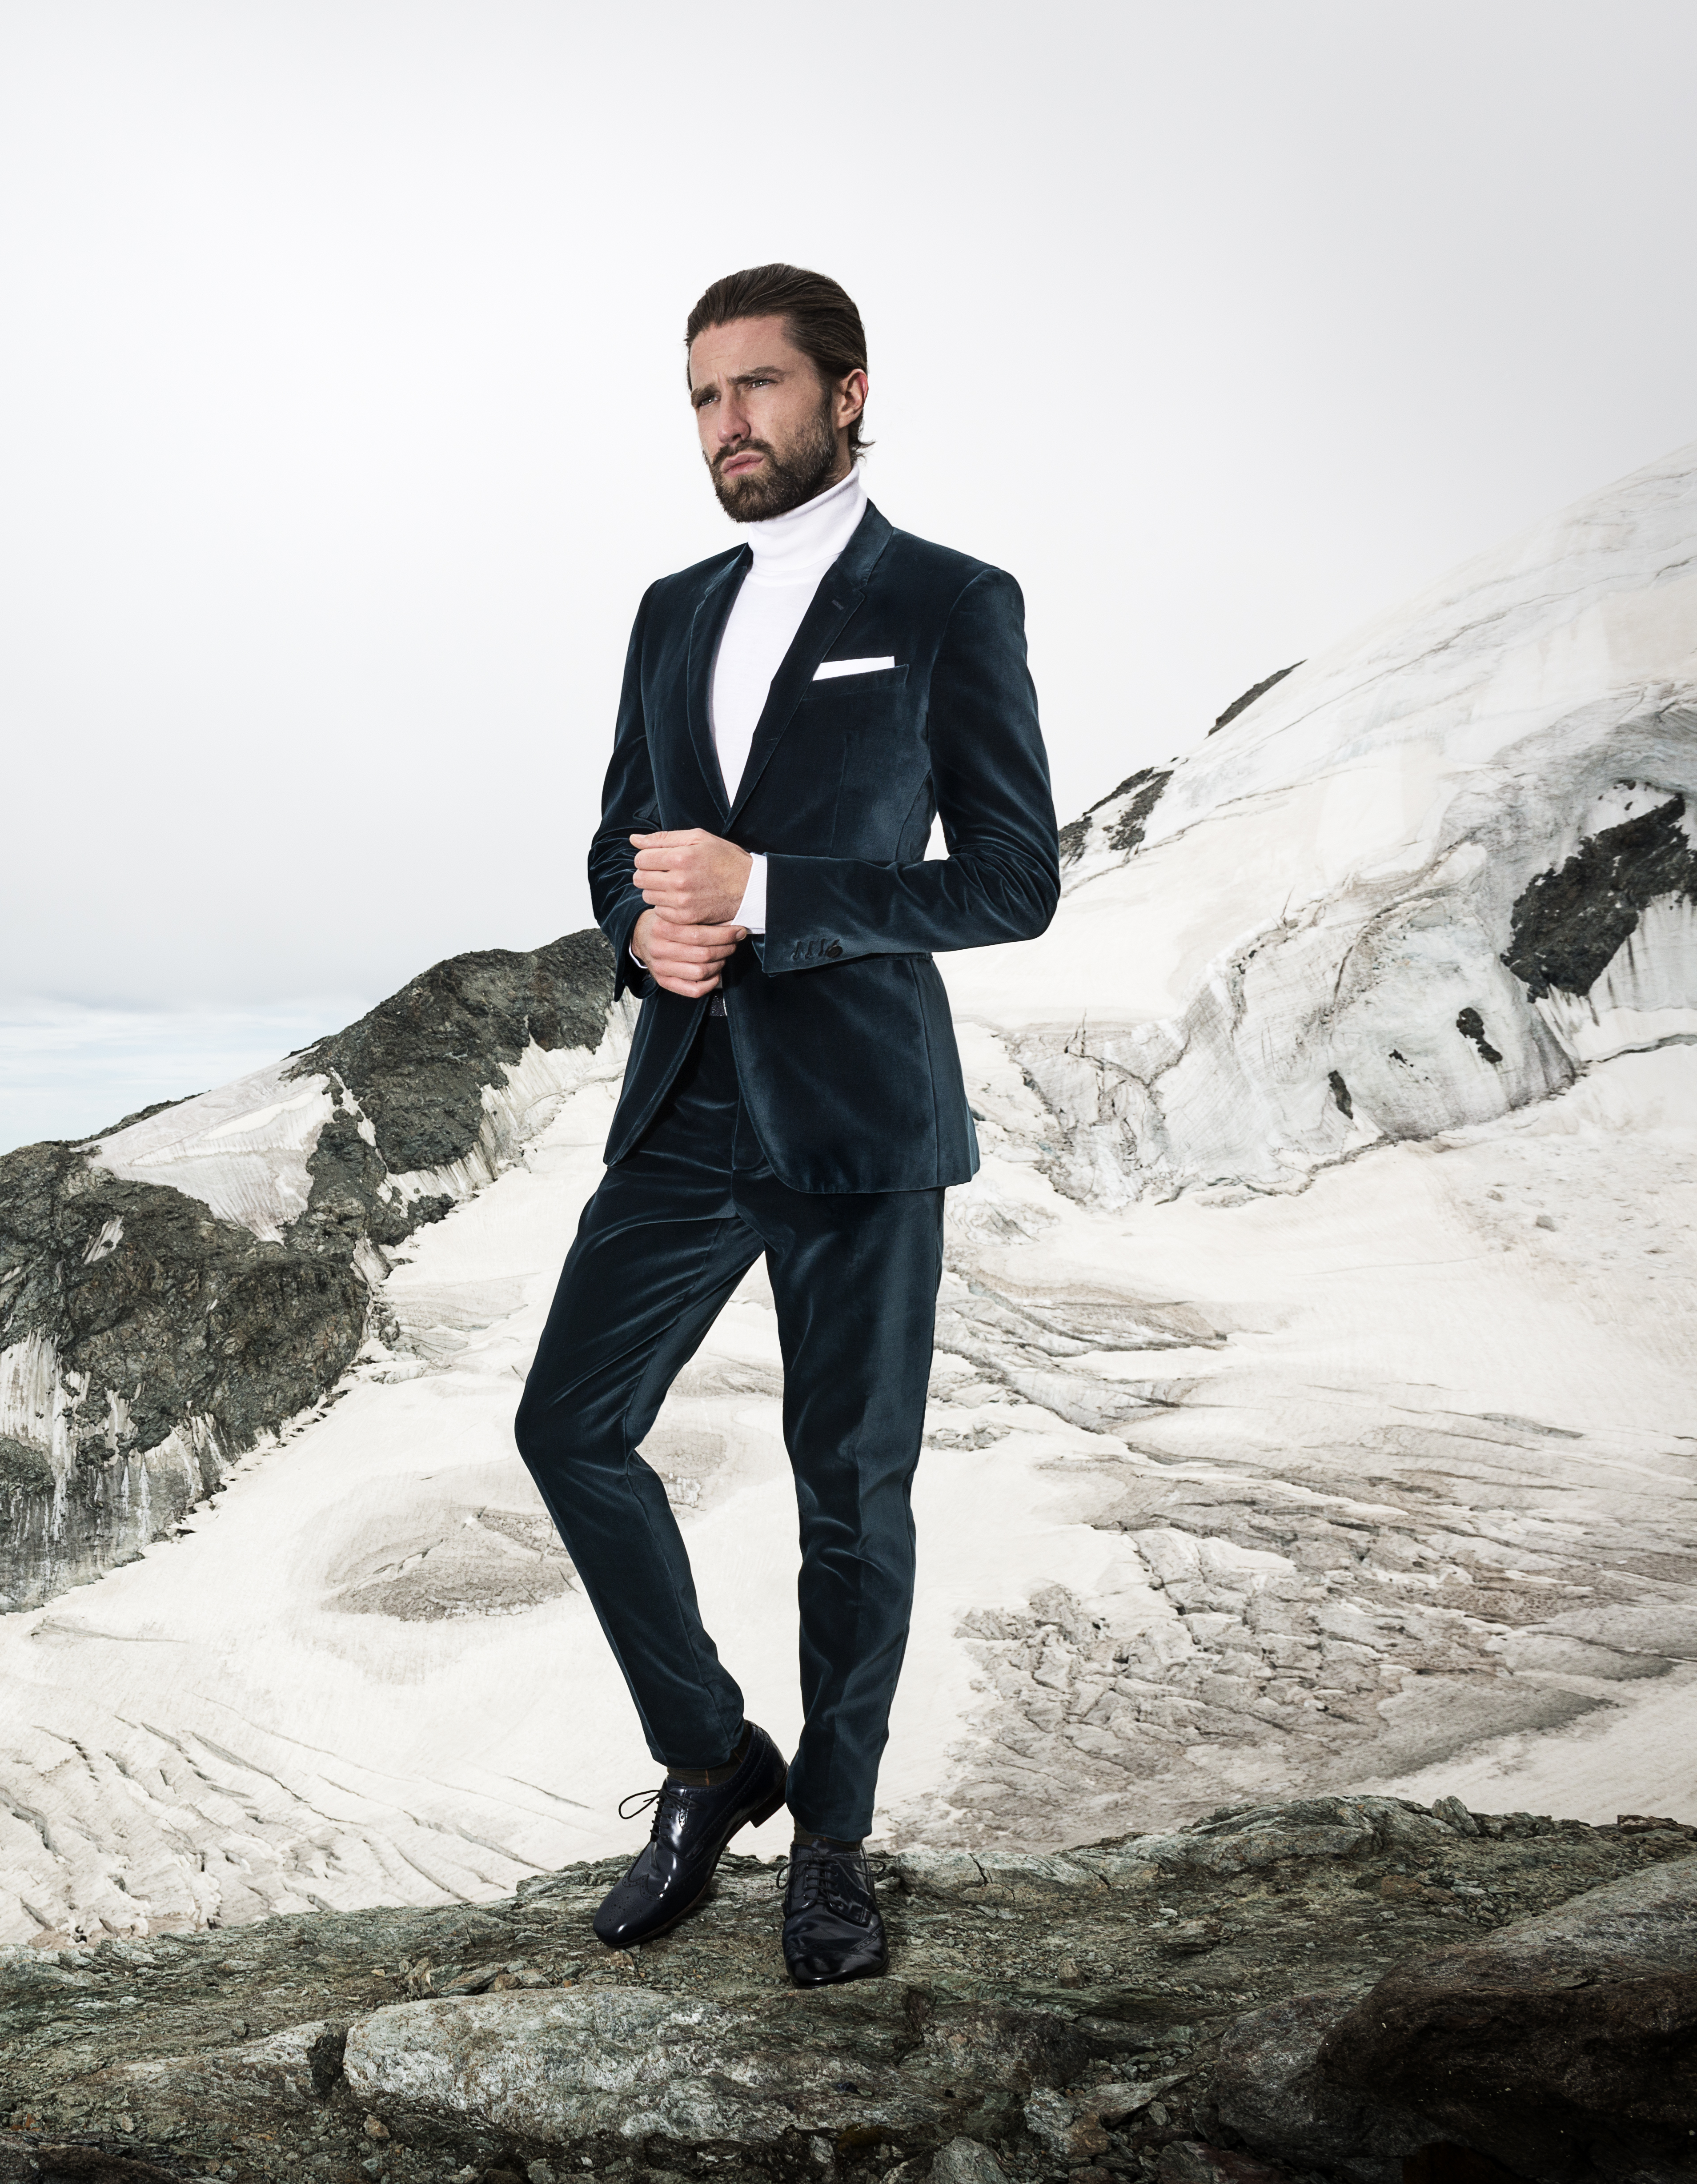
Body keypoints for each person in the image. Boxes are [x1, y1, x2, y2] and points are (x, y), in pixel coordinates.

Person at [513, 263, 1059, 1987]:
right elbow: (620, 839)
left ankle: (831, 1844)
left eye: (755, 386)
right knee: (567, 1427)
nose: (724, 423)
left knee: (851, 1493)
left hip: (858, 1109)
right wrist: (641, 928)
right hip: (687, 1095)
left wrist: (769, 892)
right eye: (701, 396)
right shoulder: (672, 609)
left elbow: (1013, 880)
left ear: (847, 392)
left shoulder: (950, 600)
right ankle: (710, 1759)